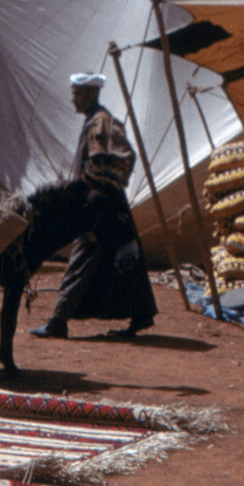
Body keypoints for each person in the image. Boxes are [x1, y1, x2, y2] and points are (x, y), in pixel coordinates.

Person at [29, 72, 158, 339]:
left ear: (90, 94)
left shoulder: (99, 123)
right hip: (111, 206)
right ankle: (141, 315)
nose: (73, 99)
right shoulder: (97, 120)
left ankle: (58, 321)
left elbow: (99, 166)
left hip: (98, 206)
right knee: (123, 260)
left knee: (82, 259)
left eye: (77, 94)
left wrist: (82, 196)